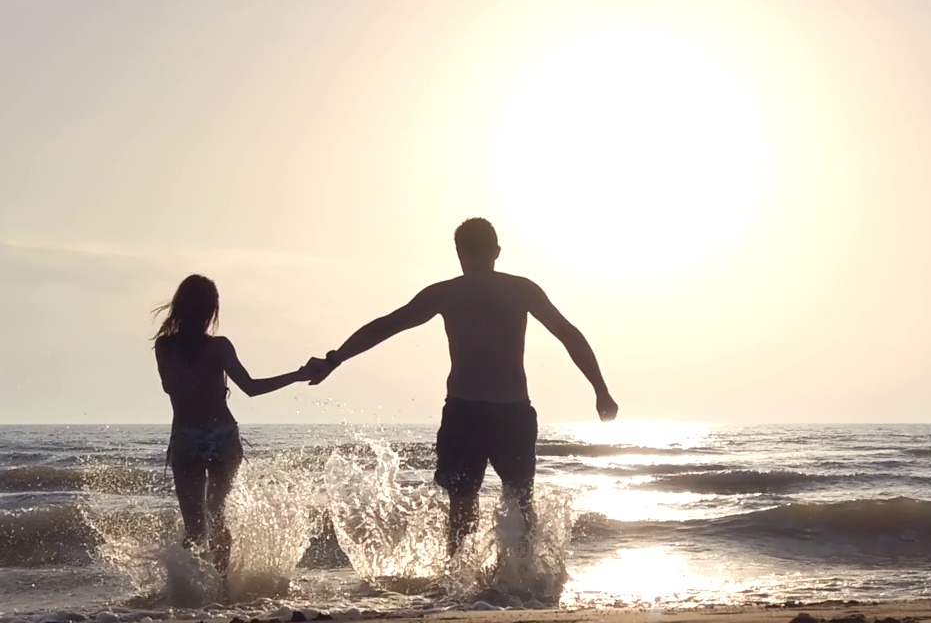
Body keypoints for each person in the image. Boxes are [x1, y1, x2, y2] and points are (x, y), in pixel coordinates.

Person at [307, 218, 617, 555]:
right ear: (497, 251)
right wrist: (600, 389)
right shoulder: (521, 290)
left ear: (459, 254)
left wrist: (335, 359)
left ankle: (458, 579)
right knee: (520, 497)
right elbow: (568, 334)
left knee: (463, 503)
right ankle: (526, 579)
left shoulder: (447, 293)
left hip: (464, 411)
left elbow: (386, 326)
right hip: (511, 410)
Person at [153, 274, 314, 575]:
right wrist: (296, 374)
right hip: (222, 435)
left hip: (186, 435)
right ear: (211, 311)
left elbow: (169, 386)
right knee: (217, 518)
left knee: (194, 527)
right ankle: (223, 590)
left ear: (179, 307)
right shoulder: (220, 347)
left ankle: (195, 594)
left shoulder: (165, 347)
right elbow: (251, 387)